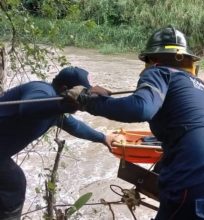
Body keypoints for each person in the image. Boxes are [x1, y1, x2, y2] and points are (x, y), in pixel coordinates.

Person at [65, 26, 204, 220]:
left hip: (197, 180)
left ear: (152, 59)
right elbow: (188, 129)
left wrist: (88, 101)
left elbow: (140, 108)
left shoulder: (159, 72)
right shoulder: (199, 85)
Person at [0, 66, 121, 219]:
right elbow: (28, 107)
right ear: (65, 89)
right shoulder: (42, 90)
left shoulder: (56, 113)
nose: (81, 101)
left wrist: (103, 138)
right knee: (14, 184)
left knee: (12, 184)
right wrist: (65, 104)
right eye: (80, 93)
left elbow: (76, 127)